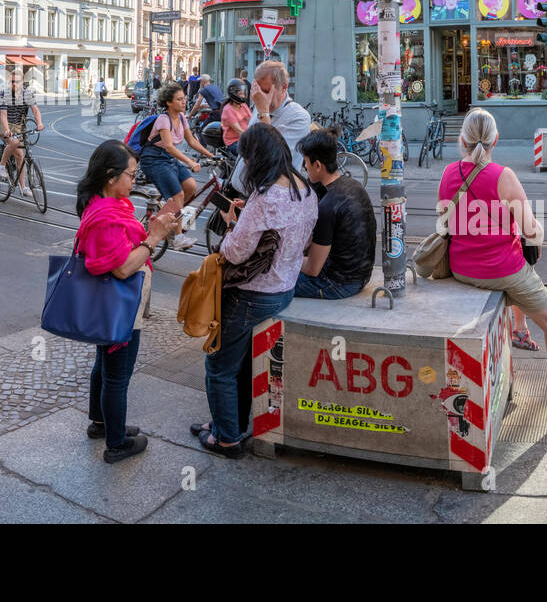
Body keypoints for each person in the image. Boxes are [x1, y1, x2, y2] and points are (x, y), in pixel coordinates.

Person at [438, 108, 547, 412]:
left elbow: (445, 222)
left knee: (515, 266)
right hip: (499, 270)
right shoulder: (504, 177)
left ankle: (519, 328)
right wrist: (535, 230)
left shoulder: (448, 174)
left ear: (461, 140)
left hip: (461, 268)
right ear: (495, 140)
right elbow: (531, 230)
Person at [191, 122, 317, 457]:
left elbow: (234, 252)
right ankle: (226, 423)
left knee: (219, 366)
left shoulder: (263, 198)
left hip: (250, 294)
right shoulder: (304, 189)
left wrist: (233, 223)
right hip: (285, 288)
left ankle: (227, 439)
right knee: (245, 362)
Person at [75, 140, 179, 463]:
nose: (134, 182)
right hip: (119, 304)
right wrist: (154, 239)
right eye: (131, 176)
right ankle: (116, 443)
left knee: (103, 366)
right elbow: (121, 268)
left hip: (106, 303)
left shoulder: (102, 204)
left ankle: (101, 422)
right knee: (117, 375)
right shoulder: (106, 216)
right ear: (110, 176)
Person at [297, 129, 376, 300]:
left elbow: (312, 268)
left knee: (270, 278)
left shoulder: (328, 206)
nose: (304, 168)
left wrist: (283, 258)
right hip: (362, 275)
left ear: (318, 165)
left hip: (338, 284)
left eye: (306, 163)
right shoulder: (354, 185)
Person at [138, 82, 216, 250]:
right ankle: (177, 237)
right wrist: (189, 162)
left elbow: (191, 141)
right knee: (178, 195)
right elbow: (169, 146)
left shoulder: (181, 117)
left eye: (184, 98)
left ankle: (169, 221)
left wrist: (212, 155)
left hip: (167, 158)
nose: (183, 102)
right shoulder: (164, 119)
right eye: (179, 99)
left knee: (191, 186)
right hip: (153, 159)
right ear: (169, 103)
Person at [233, 60, 311, 195]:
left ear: (284, 87)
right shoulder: (260, 107)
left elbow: (272, 160)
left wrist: (263, 112)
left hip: (270, 200)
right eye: (257, 89)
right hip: (243, 194)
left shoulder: (298, 117)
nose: (259, 96)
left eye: (266, 91)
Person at [0, 68, 44, 197]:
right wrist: (6, 130)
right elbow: (3, 115)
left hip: (18, 125)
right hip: (1, 123)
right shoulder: (5, 93)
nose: (14, 84)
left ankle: (23, 188)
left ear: (22, 82)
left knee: (20, 156)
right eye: (12, 81)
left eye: (16, 81)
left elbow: (35, 110)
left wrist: (39, 123)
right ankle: (1, 165)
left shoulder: (27, 93)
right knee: (14, 142)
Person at [220, 77, 251, 156]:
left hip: (245, 138)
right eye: (240, 93)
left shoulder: (243, 105)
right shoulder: (228, 109)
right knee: (251, 154)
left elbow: (252, 120)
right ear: (233, 93)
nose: (243, 95)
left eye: (244, 93)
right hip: (234, 141)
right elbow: (239, 130)